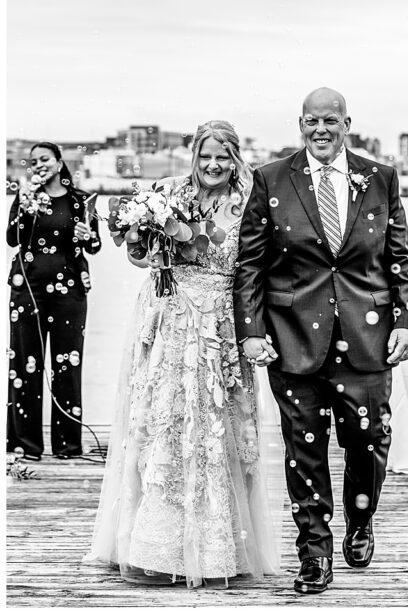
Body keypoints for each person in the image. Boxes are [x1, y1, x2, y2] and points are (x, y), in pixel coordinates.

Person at [234, 87, 408, 595]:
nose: (321, 129)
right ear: (300, 124)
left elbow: (400, 256)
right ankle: (314, 553)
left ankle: (361, 520)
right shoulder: (270, 179)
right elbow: (250, 265)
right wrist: (250, 333)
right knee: (304, 448)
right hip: (293, 338)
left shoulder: (379, 177)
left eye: (331, 120)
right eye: (312, 121)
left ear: (347, 123)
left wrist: (407, 320)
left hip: (368, 336)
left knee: (367, 440)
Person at [87, 121, 279, 587]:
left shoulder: (249, 201)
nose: (213, 165)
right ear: (193, 155)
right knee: (162, 425)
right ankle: (152, 542)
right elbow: (141, 260)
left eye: (223, 156)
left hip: (220, 324)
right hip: (167, 320)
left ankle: (219, 548)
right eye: (205, 155)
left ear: (236, 157)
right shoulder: (168, 192)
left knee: (220, 429)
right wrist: (139, 240)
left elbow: (260, 266)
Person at [7, 142, 102, 460]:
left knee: (67, 365)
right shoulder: (26, 197)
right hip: (27, 289)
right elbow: (12, 238)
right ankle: (25, 445)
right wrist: (26, 206)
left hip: (70, 292)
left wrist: (86, 235)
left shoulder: (78, 201)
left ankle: (67, 445)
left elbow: (95, 245)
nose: (38, 164)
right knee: (24, 366)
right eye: (33, 161)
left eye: (44, 159)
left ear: (60, 163)